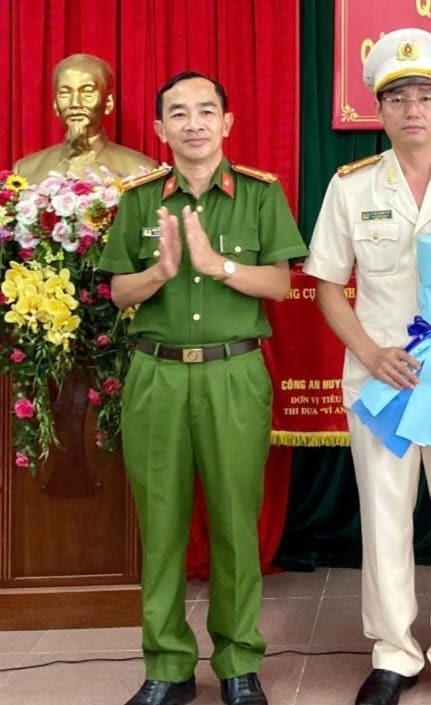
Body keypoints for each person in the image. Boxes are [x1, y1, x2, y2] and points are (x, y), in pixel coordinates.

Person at [304, 28, 431, 705]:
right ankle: (393, 650)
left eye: (425, 95)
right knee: (385, 516)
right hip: (383, 381)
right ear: (379, 110)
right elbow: (328, 285)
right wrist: (368, 352)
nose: (413, 109)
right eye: (398, 98)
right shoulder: (351, 186)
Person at [98, 71, 307, 705]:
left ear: (227, 122)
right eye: (179, 114)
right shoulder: (138, 200)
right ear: (160, 129)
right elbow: (117, 291)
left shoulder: (260, 195)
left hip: (233, 373)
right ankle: (166, 667)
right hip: (156, 374)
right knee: (160, 524)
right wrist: (159, 272)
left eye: (206, 111)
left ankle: (239, 662)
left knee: (234, 522)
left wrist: (220, 267)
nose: (194, 123)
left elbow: (279, 285)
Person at [15, 53, 156, 182]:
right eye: (65, 94)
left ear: (108, 103)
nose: (75, 103)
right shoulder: (25, 170)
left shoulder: (141, 170)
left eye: (87, 93)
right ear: (55, 105)